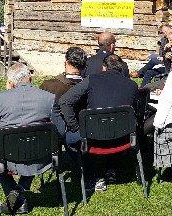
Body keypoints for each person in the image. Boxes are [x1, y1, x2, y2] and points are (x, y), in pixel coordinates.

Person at [0, 63, 54, 214]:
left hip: (7, 157)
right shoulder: (49, 98)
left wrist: (7, 93)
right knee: (32, 155)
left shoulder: (1, 98)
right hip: (41, 152)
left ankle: (15, 191)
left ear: (11, 81)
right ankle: (20, 192)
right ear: (30, 77)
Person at [59, 54, 138, 191]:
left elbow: (65, 101)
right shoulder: (132, 85)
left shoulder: (91, 80)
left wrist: (74, 127)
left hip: (93, 136)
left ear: (103, 68)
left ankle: (89, 173)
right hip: (123, 136)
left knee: (69, 138)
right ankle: (110, 168)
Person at [39, 46, 87, 138]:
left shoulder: (48, 86)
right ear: (84, 66)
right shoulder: (89, 86)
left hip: (55, 133)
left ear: (66, 63)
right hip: (82, 131)